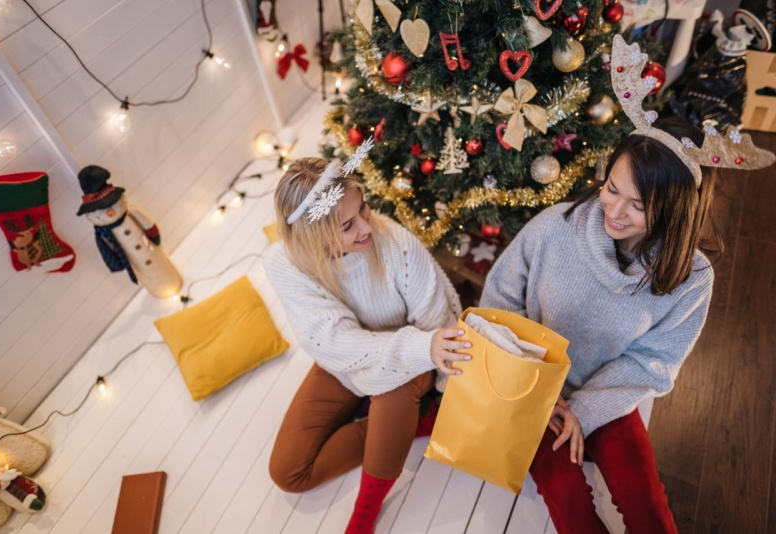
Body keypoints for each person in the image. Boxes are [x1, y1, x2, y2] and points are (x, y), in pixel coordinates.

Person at [480, 36, 774, 534]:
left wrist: (588, 408)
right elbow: (500, 304)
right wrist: (532, 387)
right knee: (567, 500)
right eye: (610, 189)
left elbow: (652, 360)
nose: (613, 211)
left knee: (645, 501)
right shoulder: (555, 227)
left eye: (636, 205)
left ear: (670, 211)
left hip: (609, 391)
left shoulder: (691, 278)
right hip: (534, 389)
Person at [264, 153, 467, 534]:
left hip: (417, 354)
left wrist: (423, 360)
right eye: (347, 225)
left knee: (390, 389)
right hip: (347, 359)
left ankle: (365, 514)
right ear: (315, 237)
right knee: (289, 472)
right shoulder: (284, 264)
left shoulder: (396, 245)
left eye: (364, 209)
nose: (366, 226)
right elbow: (332, 342)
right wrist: (383, 363)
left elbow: (437, 327)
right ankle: (412, 421)